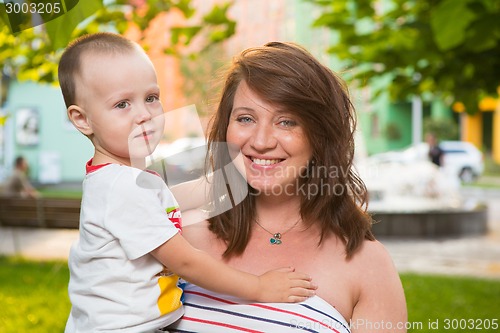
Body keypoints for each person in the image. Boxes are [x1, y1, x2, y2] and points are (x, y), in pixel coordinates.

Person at [58, 33, 316, 333]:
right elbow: (186, 262)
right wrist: (258, 287)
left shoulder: (120, 178)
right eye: (122, 104)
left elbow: (177, 197)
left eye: (151, 98)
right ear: (82, 119)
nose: (144, 115)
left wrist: (249, 170)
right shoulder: (120, 187)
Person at [168, 42, 407, 332]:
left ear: (320, 135)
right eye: (246, 118)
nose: (261, 141)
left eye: (286, 122)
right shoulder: (175, 236)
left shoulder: (366, 264)